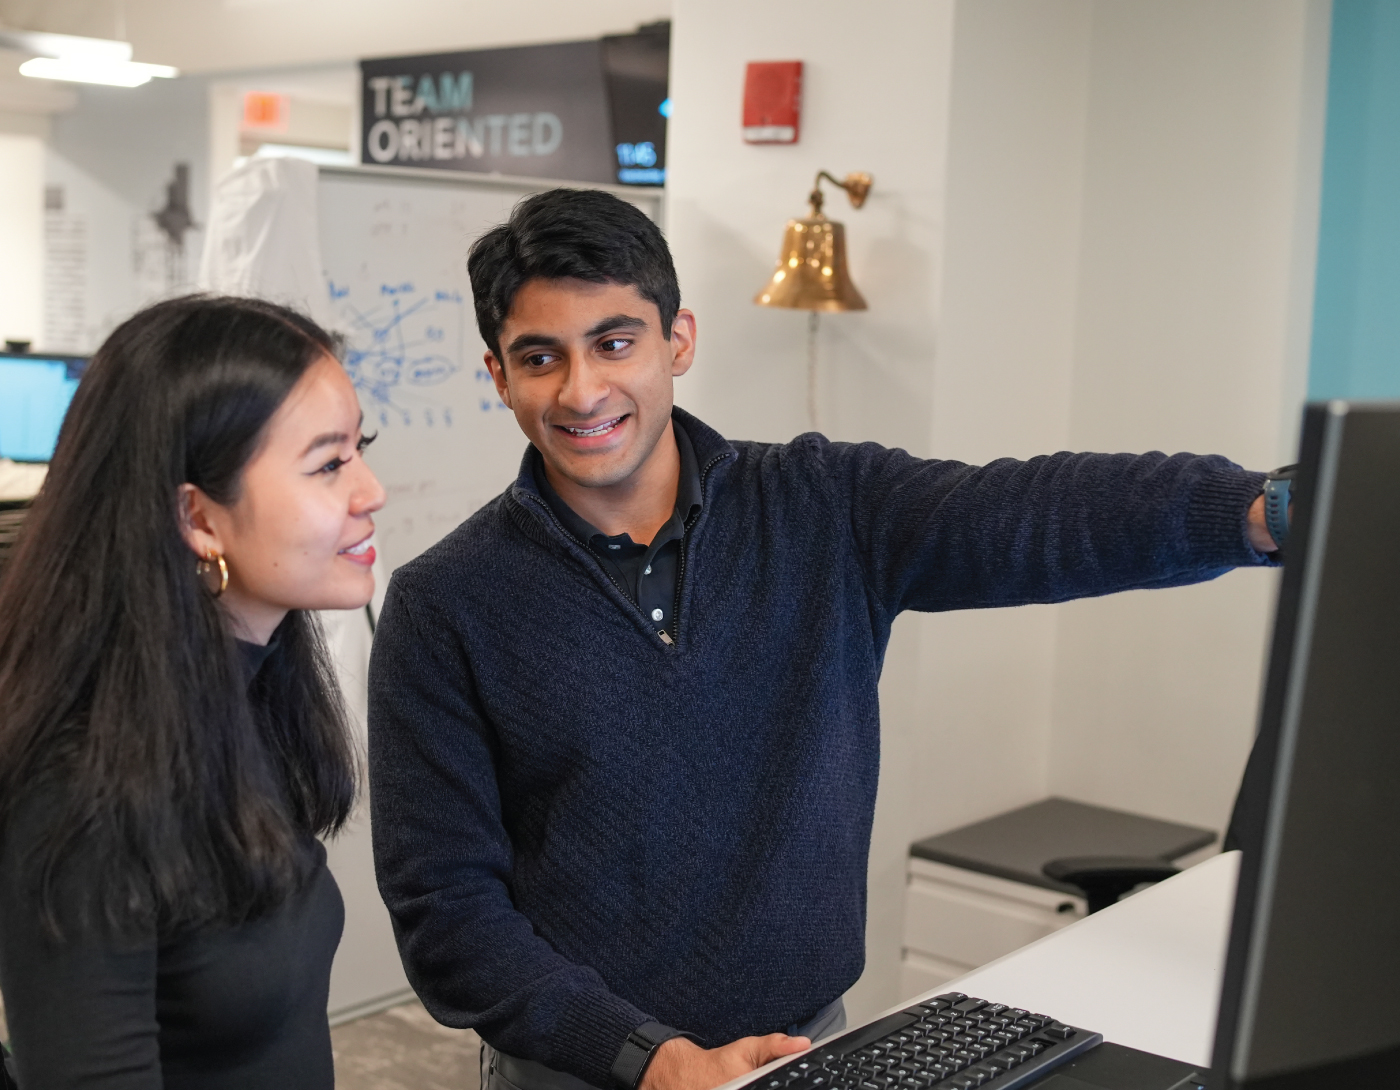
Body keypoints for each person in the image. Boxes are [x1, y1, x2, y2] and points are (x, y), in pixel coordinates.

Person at [367, 189, 1281, 1090]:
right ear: (500, 376)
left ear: (678, 340)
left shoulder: (822, 507)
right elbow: (447, 912)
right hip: (578, 1072)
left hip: (807, 1052)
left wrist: (1255, 510)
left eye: (615, 343)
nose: (582, 390)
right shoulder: (444, 603)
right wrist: (648, 1058)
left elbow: (1032, 515)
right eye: (540, 358)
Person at [0, 295, 386, 1088]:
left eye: (360, 449)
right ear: (198, 518)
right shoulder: (85, 790)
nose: (370, 490)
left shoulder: (253, 693)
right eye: (328, 464)